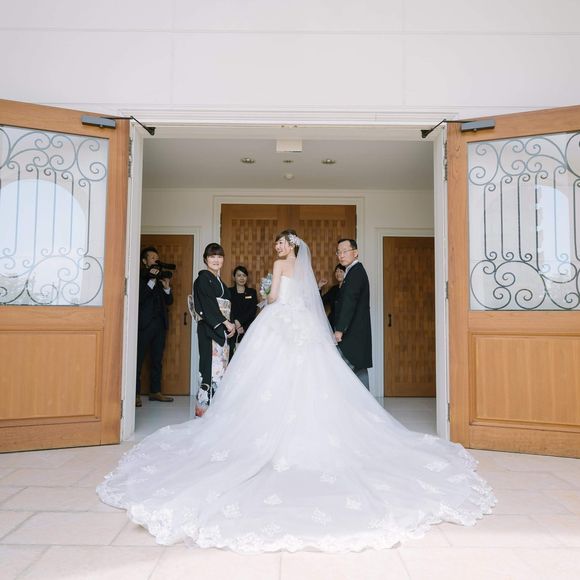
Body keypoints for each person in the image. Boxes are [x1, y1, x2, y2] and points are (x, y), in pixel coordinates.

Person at [98, 230, 495, 552]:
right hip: (301, 324)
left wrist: (267, 293)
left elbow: (273, 298)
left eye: (281, 243)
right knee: (310, 377)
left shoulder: (277, 267)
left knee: (264, 376)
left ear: (290, 247)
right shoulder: (302, 273)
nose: (278, 247)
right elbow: (304, 300)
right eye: (278, 243)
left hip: (277, 323)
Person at [192, 243, 235, 416]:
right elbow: (207, 306)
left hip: (222, 329)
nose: (216, 260)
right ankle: (205, 413)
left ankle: (217, 414)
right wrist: (225, 322)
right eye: (212, 256)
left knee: (220, 370)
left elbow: (226, 307)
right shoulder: (203, 279)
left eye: (219, 256)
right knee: (209, 369)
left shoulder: (220, 282)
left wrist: (230, 324)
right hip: (210, 329)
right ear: (205, 259)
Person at [135, 246, 175, 407]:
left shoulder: (160, 278)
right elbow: (139, 298)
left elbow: (169, 301)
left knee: (157, 359)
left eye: (156, 258)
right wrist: (151, 281)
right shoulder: (139, 277)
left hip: (160, 325)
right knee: (138, 360)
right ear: (144, 261)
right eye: (152, 258)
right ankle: (135, 394)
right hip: (144, 325)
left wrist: (166, 288)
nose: (155, 260)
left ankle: (155, 391)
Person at [333, 239, 372, 390]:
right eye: (338, 252)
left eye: (345, 251)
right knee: (358, 368)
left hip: (352, 331)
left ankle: (356, 403)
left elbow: (349, 303)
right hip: (356, 330)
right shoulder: (353, 271)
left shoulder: (356, 272)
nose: (341, 255)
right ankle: (365, 403)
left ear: (355, 253)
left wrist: (339, 329)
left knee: (345, 368)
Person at [228, 265, 258, 358]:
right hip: (232, 328)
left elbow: (252, 311)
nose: (242, 278)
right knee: (231, 357)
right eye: (239, 275)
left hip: (247, 329)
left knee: (246, 357)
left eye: (244, 275)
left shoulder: (252, 292)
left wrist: (241, 324)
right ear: (234, 277)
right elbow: (227, 309)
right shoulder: (229, 292)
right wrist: (235, 323)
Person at [319, 263, 346, 329]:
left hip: (344, 323)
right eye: (336, 271)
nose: (338, 273)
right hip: (332, 322)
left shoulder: (349, 289)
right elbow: (321, 302)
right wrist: (319, 287)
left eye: (341, 271)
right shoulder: (334, 289)